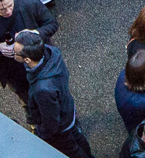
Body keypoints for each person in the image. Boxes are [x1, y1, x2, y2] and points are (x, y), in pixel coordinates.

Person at [14, 30, 97, 158]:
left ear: (27, 59)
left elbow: (51, 121)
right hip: (68, 110)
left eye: (15, 53)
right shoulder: (52, 53)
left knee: (72, 151)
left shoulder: (42, 89)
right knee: (78, 138)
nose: (13, 53)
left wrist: (41, 133)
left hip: (61, 128)